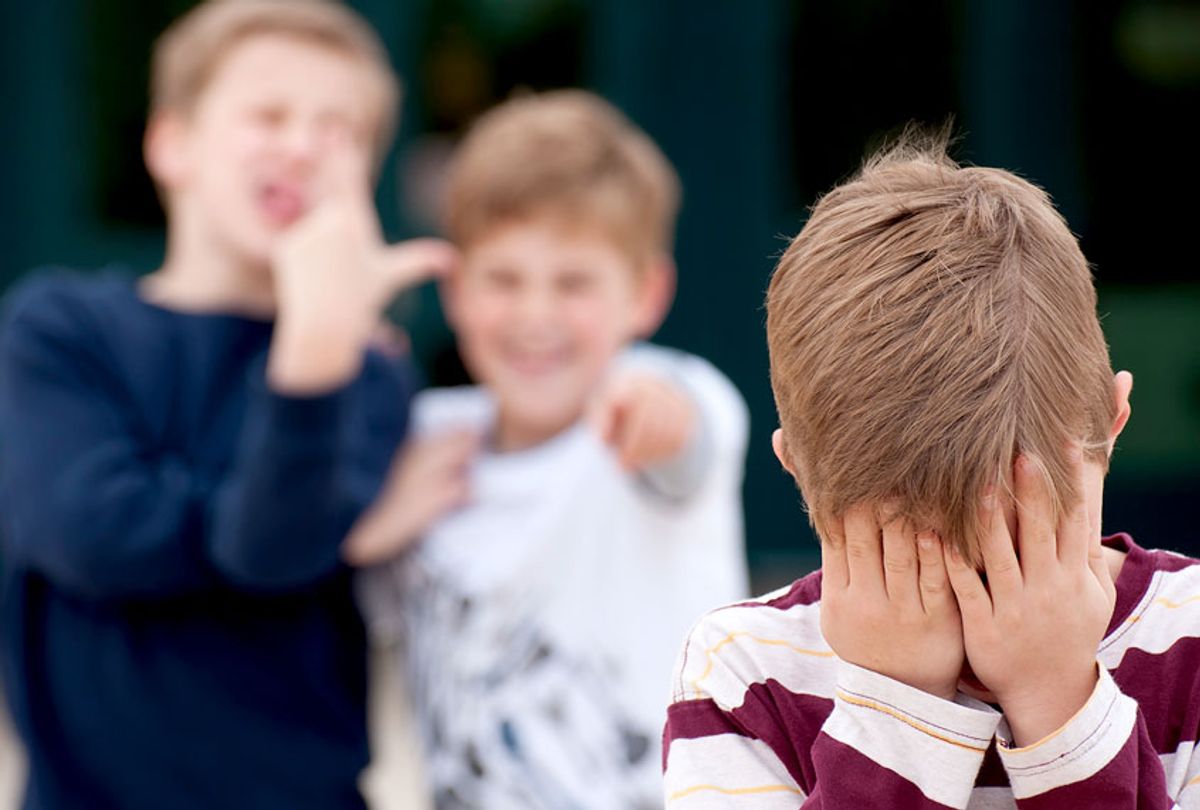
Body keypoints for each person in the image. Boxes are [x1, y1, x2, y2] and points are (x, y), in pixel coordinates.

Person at [0, 1, 458, 807]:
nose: (302, 145)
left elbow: (271, 549)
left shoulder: (367, 373)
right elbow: (92, 534)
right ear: (171, 143)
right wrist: (332, 534)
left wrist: (318, 347)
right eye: (269, 114)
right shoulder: (62, 329)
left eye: (338, 129)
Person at [661, 133, 1200, 808]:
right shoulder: (744, 674)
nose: (988, 619)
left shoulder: (1191, 644)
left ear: (1111, 425)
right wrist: (898, 709)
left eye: (1019, 547)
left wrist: (1060, 702)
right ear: (796, 469)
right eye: (924, 559)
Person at [356, 89, 750, 809]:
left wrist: (656, 417)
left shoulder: (665, 390)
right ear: (455, 291)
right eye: (504, 280)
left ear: (646, 293)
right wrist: (374, 523)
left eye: (574, 283)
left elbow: (686, 436)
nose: (536, 315)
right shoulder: (424, 440)